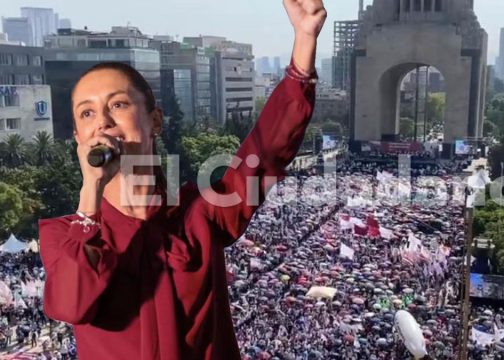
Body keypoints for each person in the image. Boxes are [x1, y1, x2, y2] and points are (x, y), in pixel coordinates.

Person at [38, 1, 327, 359]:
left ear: (155, 121)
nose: (103, 122)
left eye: (117, 105)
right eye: (87, 113)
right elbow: (70, 305)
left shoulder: (201, 214)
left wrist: (303, 41)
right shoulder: (62, 235)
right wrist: (90, 194)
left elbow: (263, 157)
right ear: (80, 139)